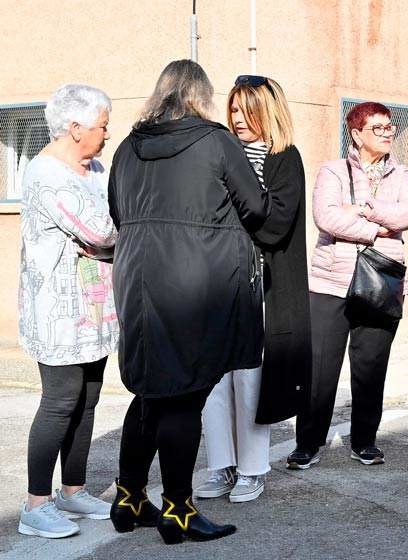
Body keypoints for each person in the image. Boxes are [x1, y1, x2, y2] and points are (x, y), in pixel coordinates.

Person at [107, 60, 269, 544]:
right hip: (198, 278)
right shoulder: (216, 141)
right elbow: (257, 207)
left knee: (151, 391)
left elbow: (117, 211)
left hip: (137, 277)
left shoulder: (127, 147)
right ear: (202, 95)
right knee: (186, 394)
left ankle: (130, 496)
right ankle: (178, 508)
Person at [288, 101, 408, 469]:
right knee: (319, 370)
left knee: (370, 366)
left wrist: (364, 208)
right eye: (378, 128)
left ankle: (364, 441)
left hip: (381, 282)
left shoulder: (402, 173)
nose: (387, 133)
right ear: (357, 133)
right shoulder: (333, 171)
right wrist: (375, 227)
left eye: (389, 127)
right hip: (330, 283)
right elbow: (325, 217)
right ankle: (308, 443)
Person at [195, 75, 309, 504]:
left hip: (261, 286)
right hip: (217, 285)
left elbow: (277, 223)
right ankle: (221, 465)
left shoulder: (284, 158)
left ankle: (252, 469)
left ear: (268, 111)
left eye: (247, 110)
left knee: (249, 380)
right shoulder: (221, 154)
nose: (238, 119)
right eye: (234, 110)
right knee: (214, 381)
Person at [17, 84, 117, 539]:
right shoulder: (46, 174)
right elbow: (101, 230)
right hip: (58, 310)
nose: (107, 133)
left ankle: (72, 491)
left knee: (89, 400)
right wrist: (113, 233)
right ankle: (36, 504)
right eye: (101, 126)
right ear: (74, 128)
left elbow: (113, 220)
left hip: (96, 308)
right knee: (59, 401)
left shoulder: (94, 167)